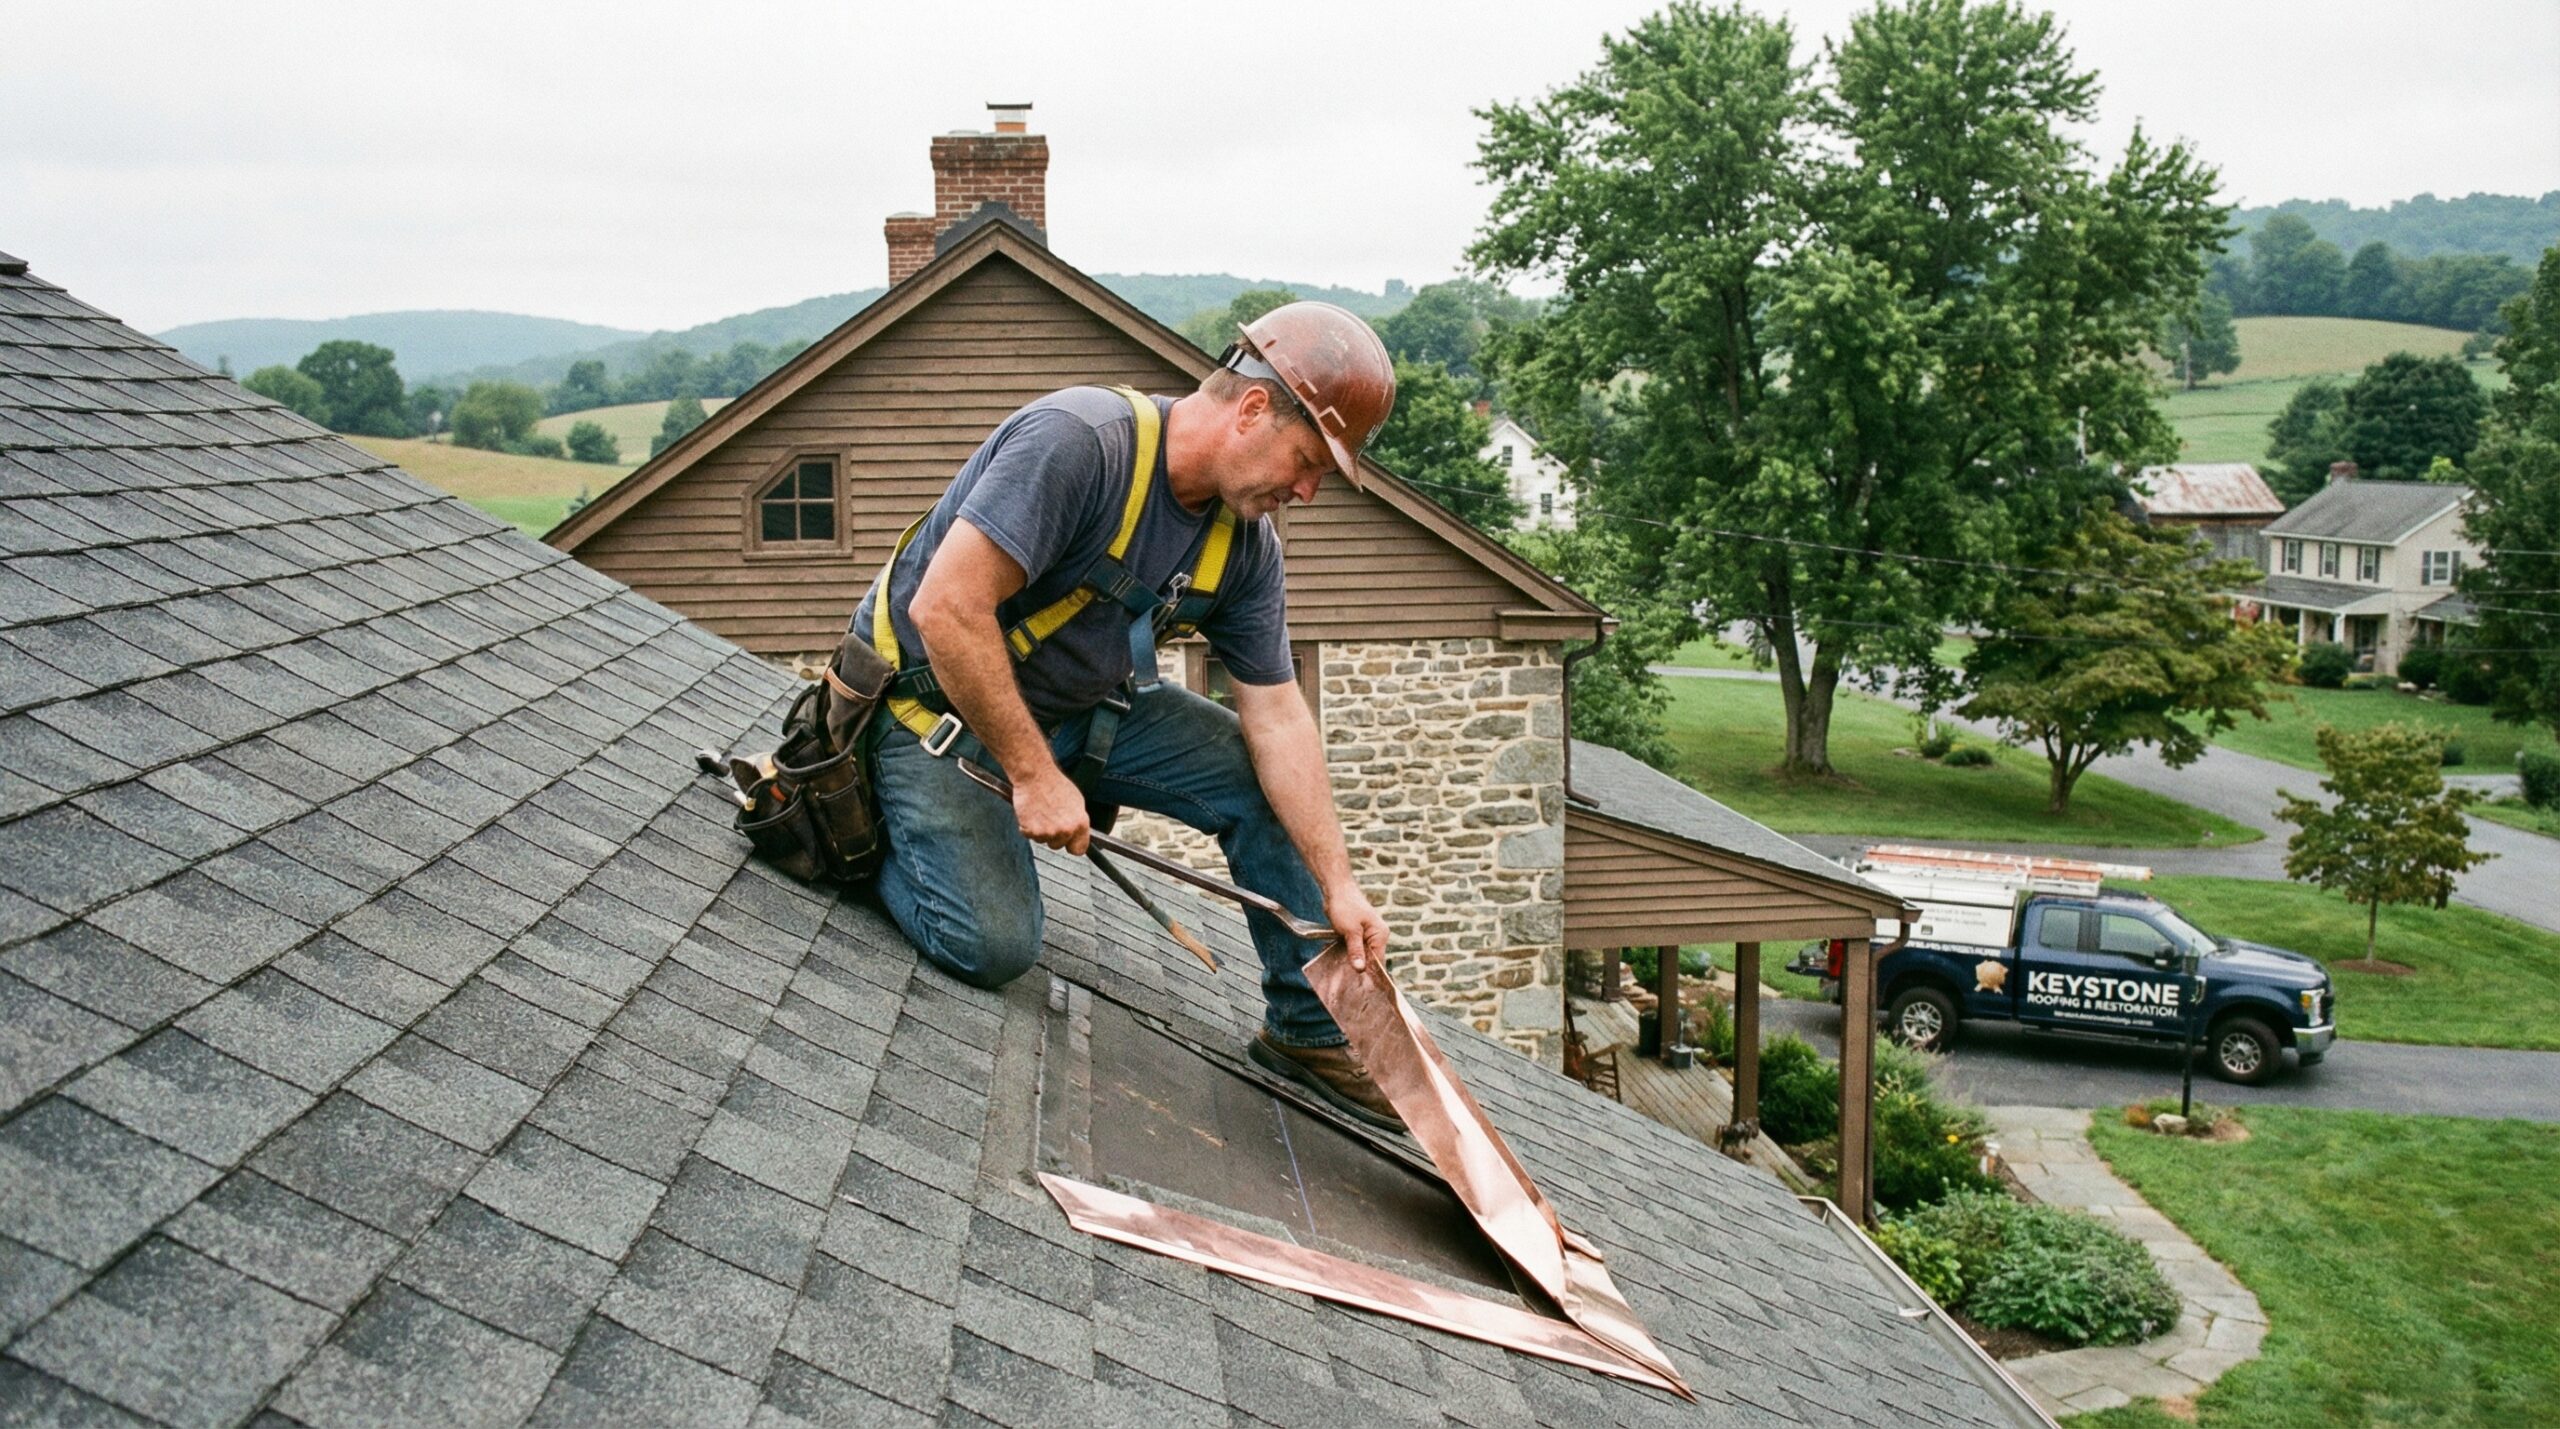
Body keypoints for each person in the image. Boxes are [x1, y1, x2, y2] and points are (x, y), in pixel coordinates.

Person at [850, 301, 1407, 1130]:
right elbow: (948, 608)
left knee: (1254, 771)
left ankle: (1308, 1032)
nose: (1308, 489)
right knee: (994, 946)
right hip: (936, 708)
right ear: (1253, 410)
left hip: (1076, 711)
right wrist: (1034, 778)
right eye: (1306, 459)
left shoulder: (1245, 548)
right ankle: (869, 833)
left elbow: (1280, 718)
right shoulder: (1078, 444)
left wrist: (1338, 883)